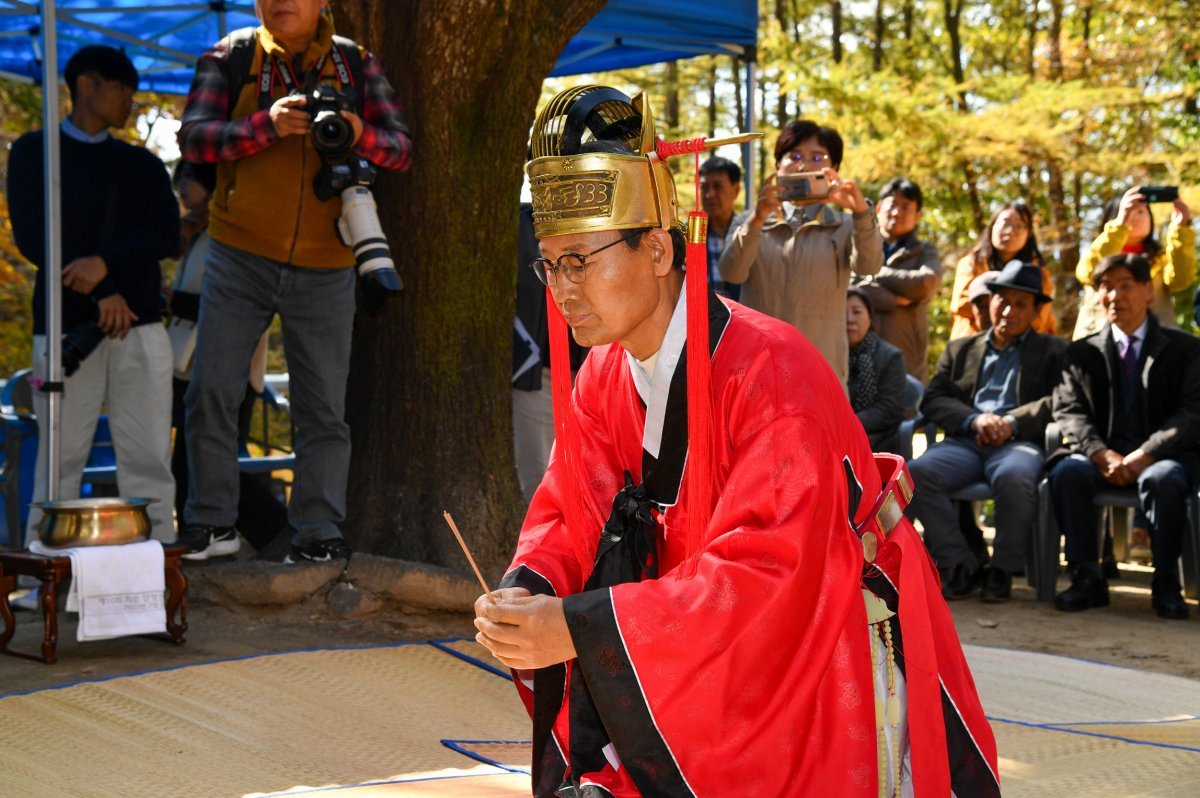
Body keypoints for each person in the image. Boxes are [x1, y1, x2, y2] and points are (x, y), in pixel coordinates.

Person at [473, 85, 997, 797]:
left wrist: (578, 628)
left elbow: (768, 575)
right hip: (686, 635)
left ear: (658, 249)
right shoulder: (602, 373)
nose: (560, 290)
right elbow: (572, 516)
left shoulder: (771, 373)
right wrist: (527, 591)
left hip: (816, 639)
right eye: (549, 263)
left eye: (580, 261)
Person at [176, 0, 412, 562]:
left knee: (323, 407)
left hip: (329, 260)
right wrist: (267, 125)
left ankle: (318, 533)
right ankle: (211, 523)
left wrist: (355, 128)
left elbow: (400, 150)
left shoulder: (356, 63)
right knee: (211, 389)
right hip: (238, 254)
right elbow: (193, 140)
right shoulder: (232, 55)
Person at [7, 45, 179, 543]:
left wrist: (105, 266)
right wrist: (104, 289)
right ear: (88, 84)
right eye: (124, 88)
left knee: (149, 456)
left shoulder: (142, 164)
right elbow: (33, 237)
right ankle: (46, 566)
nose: (132, 100)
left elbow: (166, 236)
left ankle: (158, 566)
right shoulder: (34, 152)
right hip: (65, 329)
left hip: (142, 326)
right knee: (60, 456)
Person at [1049, 253, 1200, 620]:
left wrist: (1146, 453)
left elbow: (1193, 413)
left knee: (1164, 479)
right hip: (1102, 456)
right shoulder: (1080, 352)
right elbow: (1068, 410)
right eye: (1106, 287)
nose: (1115, 295)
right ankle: (1087, 577)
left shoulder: (1185, 349)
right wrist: (1100, 453)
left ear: (1148, 291)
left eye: (1125, 286)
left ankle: (1166, 583)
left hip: (1162, 457)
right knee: (1067, 472)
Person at [907, 261, 1067, 602]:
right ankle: (960, 562)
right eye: (1002, 300)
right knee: (916, 473)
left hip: (1018, 443)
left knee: (1015, 476)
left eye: (1021, 303)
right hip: (966, 441)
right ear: (989, 302)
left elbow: (1061, 400)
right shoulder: (961, 349)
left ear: (1037, 311)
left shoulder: (1055, 351)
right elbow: (933, 399)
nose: (1009, 310)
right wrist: (974, 420)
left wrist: (1011, 422)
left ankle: (1002, 570)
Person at [165, 160, 286, 556]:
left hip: (224, 364)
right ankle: (208, 532)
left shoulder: (224, 234)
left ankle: (272, 530)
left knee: (208, 457)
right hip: (190, 365)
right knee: (193, 456)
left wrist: (168, 299)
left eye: (187, 180)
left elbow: (221, 302)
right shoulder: (197, 234)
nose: (181, 189)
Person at [718, 119, 883, 385]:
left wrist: (862, 212)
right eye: (793, 156)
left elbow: (870, 267)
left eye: (817, 157)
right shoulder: (749, 221)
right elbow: (731, 272)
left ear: (835, 170)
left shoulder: (847, 225)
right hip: (758, 366)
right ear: (777, 167)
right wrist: (758, 219)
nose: (804, 165)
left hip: (820, 368)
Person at [512, 202, 587, 503]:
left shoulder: (597, 221)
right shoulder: (520, 225)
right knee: (537, 481)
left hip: (587, 373)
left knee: (585, 479)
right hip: (536, 373)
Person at [1073, 187, 1195, 340]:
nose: (1135, 217)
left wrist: (1181, 230)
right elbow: (1089, 273)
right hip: (1097, 346)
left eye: (1141, 212)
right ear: (1111, 217)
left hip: (1156, 348)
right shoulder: (1097, 251)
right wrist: (1119, 227)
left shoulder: (1162, 259)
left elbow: (1181, 281)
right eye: (1129, 210)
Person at [853, 178, 943, 381]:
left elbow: (924, 284)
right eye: (892, 204)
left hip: (906, 357)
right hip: (856, 353)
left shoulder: (924, 250)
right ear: (878, 208)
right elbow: (849, 285)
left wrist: (874, 273)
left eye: (906, 207)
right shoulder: (860, 246)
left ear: (917, 215)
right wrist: (893, 301)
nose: (897, 212)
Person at [949, 200, 1056, 339]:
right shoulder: (971, 263)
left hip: (1024, 349)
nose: (1010, 231)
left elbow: (1040, 316)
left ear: (1028, 233)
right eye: (1005, 223)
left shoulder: (1038, 272)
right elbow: (961, 305)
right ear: (992, 226)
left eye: (1019, 226)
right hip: (974, 343)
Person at [846, 287, 906, 453]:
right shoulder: (828, 355)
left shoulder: (890, 356)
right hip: (837, 435)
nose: (849, 319)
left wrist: (850, 424)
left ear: (870, 317)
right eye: (842, 313)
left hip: (879, 438)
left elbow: (890, 407)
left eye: (856, 312)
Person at [697, 156, 742, 300]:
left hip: (742, 318)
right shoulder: (690, 235)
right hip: (702, 318)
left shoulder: (748, 233)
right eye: (704, 187)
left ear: (736, 190)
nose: (710, 195)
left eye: (718, 187)